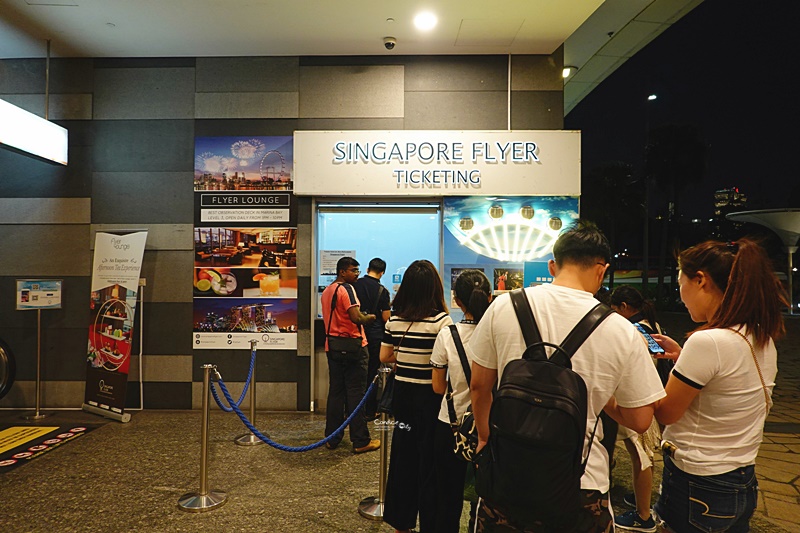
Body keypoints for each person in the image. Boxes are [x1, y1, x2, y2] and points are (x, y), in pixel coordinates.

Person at [468, 221, 665, 532]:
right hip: (581, 483)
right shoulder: (621, 329)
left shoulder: (504, 305)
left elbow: (479, 385)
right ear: (602, 271)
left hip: (508, 469)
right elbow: (641, 419)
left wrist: (484, 438)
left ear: (553, 265)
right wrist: (600, 396)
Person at [652, 239, 787, 532]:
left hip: (699, 484)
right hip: (741, 479)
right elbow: (724, 385)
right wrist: (681, 357)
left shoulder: (707, 342)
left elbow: (666, 413)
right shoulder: (759, 336)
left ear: (700, 280)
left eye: (680, 284)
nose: (681, 296)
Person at [380, 259, 453, 533]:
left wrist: (403, 359)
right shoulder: (441, 321)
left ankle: (401, 522)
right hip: (431, 398)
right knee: (430, 462)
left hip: (403, 395)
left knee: (403, 457)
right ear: (434, 288)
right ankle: (430, 524)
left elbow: (384, 356)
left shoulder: (395, 319)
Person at [431, 269, 492, 533]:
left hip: (451, 425)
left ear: (456, 300)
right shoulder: (498, 334)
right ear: (490, 297)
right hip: (490, 426)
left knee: (446, 494)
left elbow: (437, 387)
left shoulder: (447, 334)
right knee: (487, 494)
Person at [609, 285, 665, 532]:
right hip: (650, 396)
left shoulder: (634, 330)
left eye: (614, 310)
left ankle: (643, 515)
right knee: (642, 455)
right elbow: (659, 356)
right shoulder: (650, 325)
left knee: (640, 455)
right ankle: (640, 497)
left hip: (636, 400)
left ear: (623, 307)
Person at [320, 257, 380, 453]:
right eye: (353, 270)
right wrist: (370, 317)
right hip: (354, 347)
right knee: (356, 393)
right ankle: (361, 440)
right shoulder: (347, 289)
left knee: (336, 393)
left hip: (333, 347)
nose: (357, 273)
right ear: (342, 272)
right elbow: (356, 317)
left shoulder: (327, 291)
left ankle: (332, 438)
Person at [354, 258, 392, 419]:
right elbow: (385, 317)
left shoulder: (355, 285)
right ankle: (370, 411)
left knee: (355, 373)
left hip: (356, 333)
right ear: (382, 272)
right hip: (375, 336)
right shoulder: (382, 291)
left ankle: (353, 410)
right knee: (372, 373)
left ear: (368, 268)